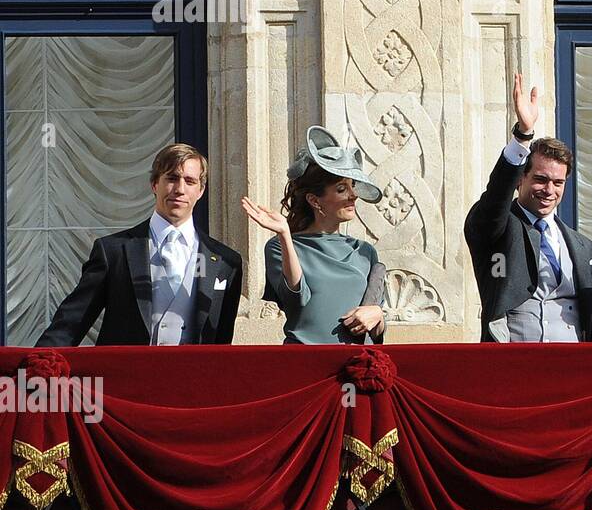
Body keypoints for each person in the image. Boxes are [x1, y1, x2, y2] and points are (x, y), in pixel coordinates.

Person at [464, 74, 592, 354]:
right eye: (540, 179)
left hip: (572, 366)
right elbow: (495, 198)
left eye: (558, 182)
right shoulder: (497, 227)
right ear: (521, 179)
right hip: (514, 363)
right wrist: (522, 136)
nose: (549, 190)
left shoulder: (583, 246)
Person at [36, 143, 243, 347]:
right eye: (171, 178)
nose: (180, 189)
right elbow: (71, 322)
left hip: (193, 378)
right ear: (154, 184)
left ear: (201, 190)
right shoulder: (113, 251)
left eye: (189, 181)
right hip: (126, 377)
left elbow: (221, 340)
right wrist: (36, 367)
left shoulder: (226, 262)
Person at [243, 126, 388, 344]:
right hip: (304, 365)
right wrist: (284, 234)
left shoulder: (365, 252)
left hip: (356, 368)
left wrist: (378, 316)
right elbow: (296, 299)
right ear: (314, 200)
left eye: (353, 187)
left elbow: (376, 332)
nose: (353, 196)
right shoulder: (279, 246)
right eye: (341, 189)